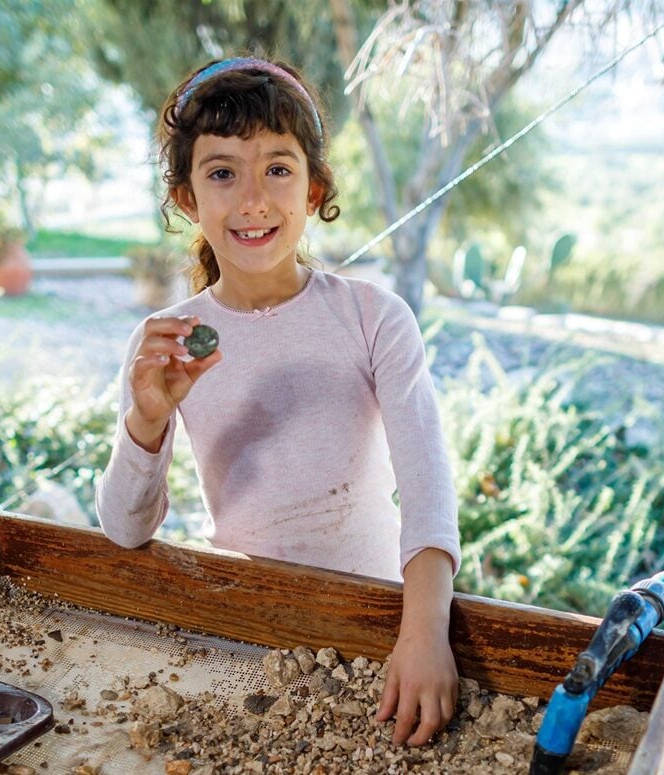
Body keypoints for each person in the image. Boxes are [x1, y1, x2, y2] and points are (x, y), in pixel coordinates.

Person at [95, 56, 461, 747]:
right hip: (245, 631)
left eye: (279, 168)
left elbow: (428, 489)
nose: (253, 199)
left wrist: (422, 632)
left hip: (379, 621)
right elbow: (123, 531)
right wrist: (145, 419)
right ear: (187, 200)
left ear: (314, 185)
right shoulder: (166, 342)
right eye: (223, 172)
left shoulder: (373, 317)